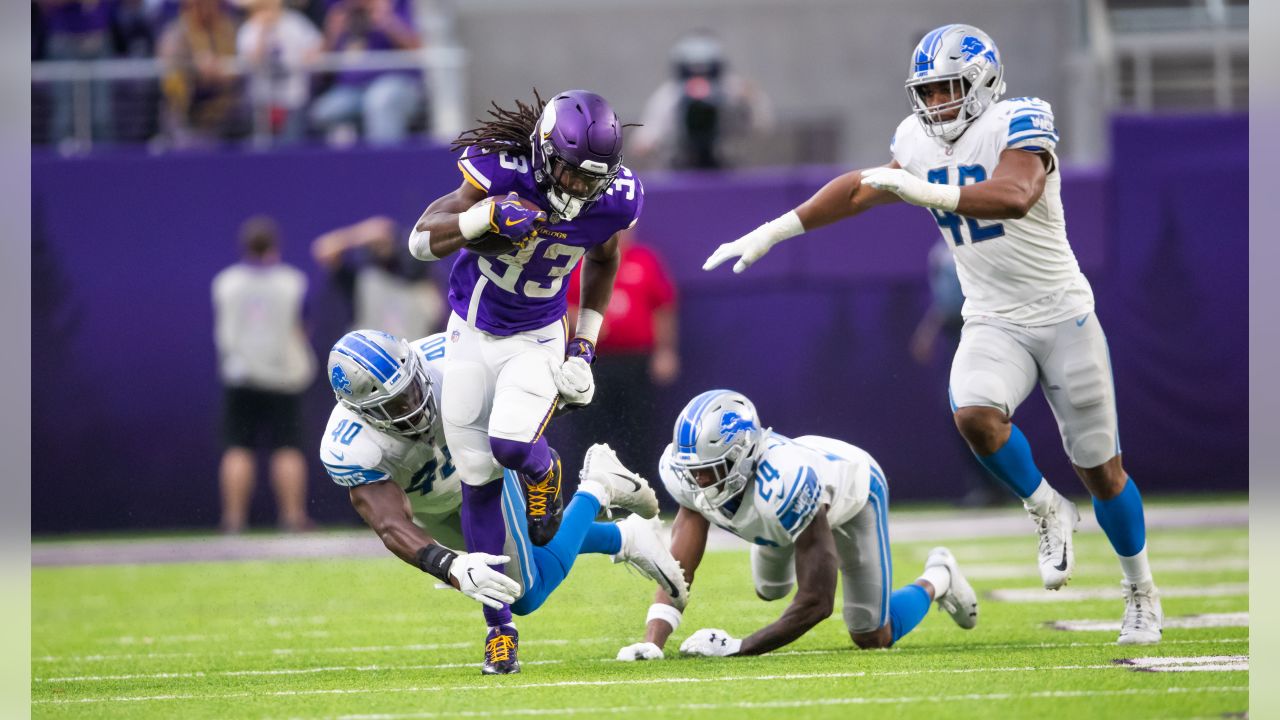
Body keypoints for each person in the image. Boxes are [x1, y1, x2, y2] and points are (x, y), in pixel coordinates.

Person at [703, 24, 1162, 645]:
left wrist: (927, 191)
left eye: (950, 88)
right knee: (973, 412)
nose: (938, 102)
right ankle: (1044, 507)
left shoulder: (1021, 119)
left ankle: (1140, 590)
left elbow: (1017, 194)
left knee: (1103, 471)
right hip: (992, 317)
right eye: (930, 90)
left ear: (985, 82)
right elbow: (864, 188)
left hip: (1062, 314)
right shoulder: (915, 138)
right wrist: (773, 230)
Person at [321, 329, 687, 673]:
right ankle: (624, 537)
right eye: (395, 405)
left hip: (484, 472)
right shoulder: (350, 445)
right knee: (497, 571)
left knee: (524, 594)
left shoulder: (452, 358)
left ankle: (595, 490)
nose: (413, 404)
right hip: (432, 508)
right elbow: (389, 524)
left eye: (413, 388)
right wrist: (449, 565)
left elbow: (519, 386)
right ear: (362, 412)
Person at [407, 89, 642, 549]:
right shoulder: (502, 170)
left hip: (537, 333)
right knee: (474, 473)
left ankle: (544, 469)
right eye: (568, 172)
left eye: (589, 179)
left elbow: (604, 259)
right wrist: (483, 217)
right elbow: (418, 242)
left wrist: (585, 345)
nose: (576, 187)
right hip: (470, 328)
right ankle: (498, 621)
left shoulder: (615, 199)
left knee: (510, 446)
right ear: (543, 151)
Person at [614, 390, 977, 660]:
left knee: (871, 636)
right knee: (769, 590)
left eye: (711, 470)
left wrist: (739, 648)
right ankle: (792, 533)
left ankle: (938, 576)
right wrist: (652, 641)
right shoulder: (695, 479)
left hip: (854, 493)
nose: (700, 482)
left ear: (743, 456)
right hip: (785, 506)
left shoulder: (786, 483)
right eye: (693, 472)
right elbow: (677, 571)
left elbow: (817, 602)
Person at [550, 228, 679, 490]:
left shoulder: (644, 260)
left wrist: (665, 351)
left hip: (635, 363)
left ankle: (640, 492)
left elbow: (663, 306)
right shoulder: (579, 260)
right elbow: (558, 306)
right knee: (590, 431)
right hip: (592, 363)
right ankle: (589, 492)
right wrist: (588, 322)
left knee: (638, 429)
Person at [212, 216, 316, 533]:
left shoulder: (225, 282)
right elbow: (301, 327)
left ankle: (233, 520)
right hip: (284, 376)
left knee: (238, 447)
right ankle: (293, 516)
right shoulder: (292, 282)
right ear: (275, 244)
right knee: (288, 447)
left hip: (240, 375)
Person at [630, 29, 774, 169]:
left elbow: (762, 123)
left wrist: (749, 102)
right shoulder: (669, 95)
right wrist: (650, 143)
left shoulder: (733, 90)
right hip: (680, 163)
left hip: (724, 162)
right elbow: (644, 138)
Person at [308, 0, 424, 145]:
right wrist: (332, 32)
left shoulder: (398, 6)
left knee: (379, 101)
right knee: (324, 112)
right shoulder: (341, 12)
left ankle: (385, 163)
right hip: (351, 90)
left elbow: (418, 50)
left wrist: (388, 22)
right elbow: (318, 66)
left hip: (396, 83)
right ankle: (343, 165)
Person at [311, 215, 446, 339]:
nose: (381, 249)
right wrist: (361, 234)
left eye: (384, 244)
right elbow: (324, 249)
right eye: (375, 246)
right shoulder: (362, 279)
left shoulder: (418, 276)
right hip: (370, 357)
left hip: (414, 354)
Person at [237, 0, 323, 144]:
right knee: (263, 147)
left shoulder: (295, 22)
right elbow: (252, 60)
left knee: (290, 146)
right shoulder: (250, 28)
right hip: (262, 101)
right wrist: (263, 32)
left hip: (293, 98)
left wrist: (310, 54)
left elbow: (317, 44)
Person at [158, 0, 242, 146]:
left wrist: (224, 70)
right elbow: (170, 73)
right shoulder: (177, 32)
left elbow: (241, 61)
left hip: (225, 111)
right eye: (200, 4)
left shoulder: (229, 28)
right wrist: (195, 69)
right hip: (189, 113)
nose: (206, 9)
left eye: (211, 4)